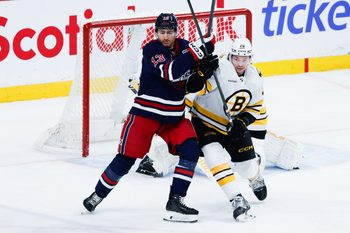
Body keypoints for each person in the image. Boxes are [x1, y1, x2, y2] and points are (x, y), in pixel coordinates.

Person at [82, 13, 217, 223]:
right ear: (155, 32)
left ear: (176, 32)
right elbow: (171, 72)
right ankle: (97, 194)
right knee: (126, 160)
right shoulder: (151, 49)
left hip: (173, 116)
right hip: (146, 114)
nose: (165, 36)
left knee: (190, 150)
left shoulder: (184, 46)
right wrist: (197, 52)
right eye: (162, 32)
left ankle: (176, 199)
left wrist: (204, 68)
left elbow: (191, 85)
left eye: (170, 32)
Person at [138, 37, 268, 222]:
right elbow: (191, 88)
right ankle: (236, 199)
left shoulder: (256, 77)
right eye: (236, 58)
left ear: (250, 59)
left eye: (244, 58)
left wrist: (242, 122)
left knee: (247, 168)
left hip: (231, 126)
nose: (240, 63)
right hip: (205, 121)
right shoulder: (218, 69)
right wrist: (201, 74)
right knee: (213, 158)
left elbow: (255, 107)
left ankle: (255, 178)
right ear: (230, 55)